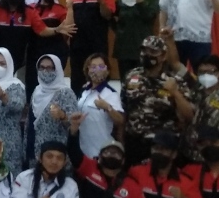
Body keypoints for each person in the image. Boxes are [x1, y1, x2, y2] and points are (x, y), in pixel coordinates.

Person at [122, 35, 197, 165]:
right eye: (144, 50)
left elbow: (189, 116)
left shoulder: (175, 80)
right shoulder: (131, 76)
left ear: (163, 56)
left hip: (163, 144)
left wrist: (175, 92)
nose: (147, 55)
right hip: (135, 143)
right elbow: (124, 109)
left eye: (153, 52)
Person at [68, 0, 116, 95]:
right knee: (77, 76)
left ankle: (101, 100)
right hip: (77, 44)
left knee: (99, 74)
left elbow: (108, 16)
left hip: (97, 43)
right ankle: (78, 101)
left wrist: (101, 1)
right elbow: (69, 20)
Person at [25, 0, 71, 97]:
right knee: (32, 81)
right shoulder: (30, 8)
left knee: (53, 81)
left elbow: (68, 28)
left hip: (56, 51)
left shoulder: (60, 9)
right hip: (34, 51)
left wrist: (70, 8)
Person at [27, 55, 77, 163]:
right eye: (42, 68)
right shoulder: (37, 91)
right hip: (35, 151)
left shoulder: (65, 93)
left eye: (49, 68)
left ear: (57, 69)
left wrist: (62, 116)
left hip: (56, 156)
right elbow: (30, 122)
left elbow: (74, 126)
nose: (45, 71)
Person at [113, 0, 160, 78]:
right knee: (126, 80)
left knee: (143, 80)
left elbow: (149, 17)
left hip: (143, 48)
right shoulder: (120, 0)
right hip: (124, 49)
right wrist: (119, 32)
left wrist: (140, 4)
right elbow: (113, 19)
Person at [76, 53, 124, 158]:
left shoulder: (111, 93)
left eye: (101, 66)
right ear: (88, 70)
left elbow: (120, 120)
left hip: (101, 150)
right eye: (93, 67)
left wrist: (107, 107)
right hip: (83, 149)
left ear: (107, 70)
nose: (97, 70)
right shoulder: (84, 91)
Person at [189, 55, 219, 160]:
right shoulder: (193, 91)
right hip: (191, 149)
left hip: (214, 152)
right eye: (201, 72)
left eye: (210, 72)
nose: (206, 75)